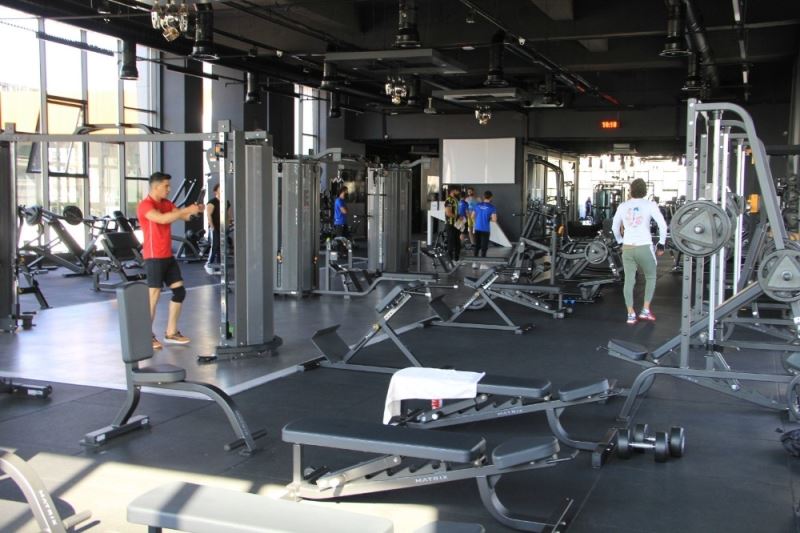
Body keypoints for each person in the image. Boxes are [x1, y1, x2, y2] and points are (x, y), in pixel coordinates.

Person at [137, 171, 203, 349]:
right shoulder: (145, 206)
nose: (169, 189)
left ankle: (171, 332)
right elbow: (162, 219)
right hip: (153, 256)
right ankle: (145, 335)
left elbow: (182, 216)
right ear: (156, 187)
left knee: (179, 292)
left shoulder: (166, 203)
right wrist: (186, 210)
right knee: (153, 296)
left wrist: (195, 212)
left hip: (167, 256)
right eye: (166, 186)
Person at [611, 178, 668, 325]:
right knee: (651, 277)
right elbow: (663, 225)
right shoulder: (650, 205)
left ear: (631, 190)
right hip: (644, 247)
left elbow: (614, 227)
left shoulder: (623, 206)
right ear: (645, 191)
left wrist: (620, 241)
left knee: (629, 280)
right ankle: (645, 310)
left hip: (628, 248)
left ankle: (630, 314)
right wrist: (661, 244)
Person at [204, 183, 230, 275]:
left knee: (221, 247)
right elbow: (209, 216)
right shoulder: (212, 202)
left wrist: (228, 224)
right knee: (215, 246)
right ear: (215, 191)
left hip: (223, 227)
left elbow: (227, 215)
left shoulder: (226, 202)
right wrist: (212, 228)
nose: (222, 190)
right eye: (220, 188)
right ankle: (208, 264)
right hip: (214, 228)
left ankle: (220, 266)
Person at [472, 190, 497, 258]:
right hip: (485, 229)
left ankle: (474, 260)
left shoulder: (477, 205)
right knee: (484, 246)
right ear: (491, 197)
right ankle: (483, 261)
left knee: (477, 245)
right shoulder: (492, 207)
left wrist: (477, 221)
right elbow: (494, 220)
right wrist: (489, 219)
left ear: (483, 197)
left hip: (477, 228)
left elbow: (472, 216)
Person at [443, 187, 462, 262]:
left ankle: (456, 259)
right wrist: (457, 216)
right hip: (450, 224)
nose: (458, 192)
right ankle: (450, 261)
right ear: (453, 191)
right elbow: (448, 213)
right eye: (457, 190)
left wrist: (459, 217)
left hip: (457, 224)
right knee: (451, 242)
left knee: (457, 242)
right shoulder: (449, 200)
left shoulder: (456, 199)